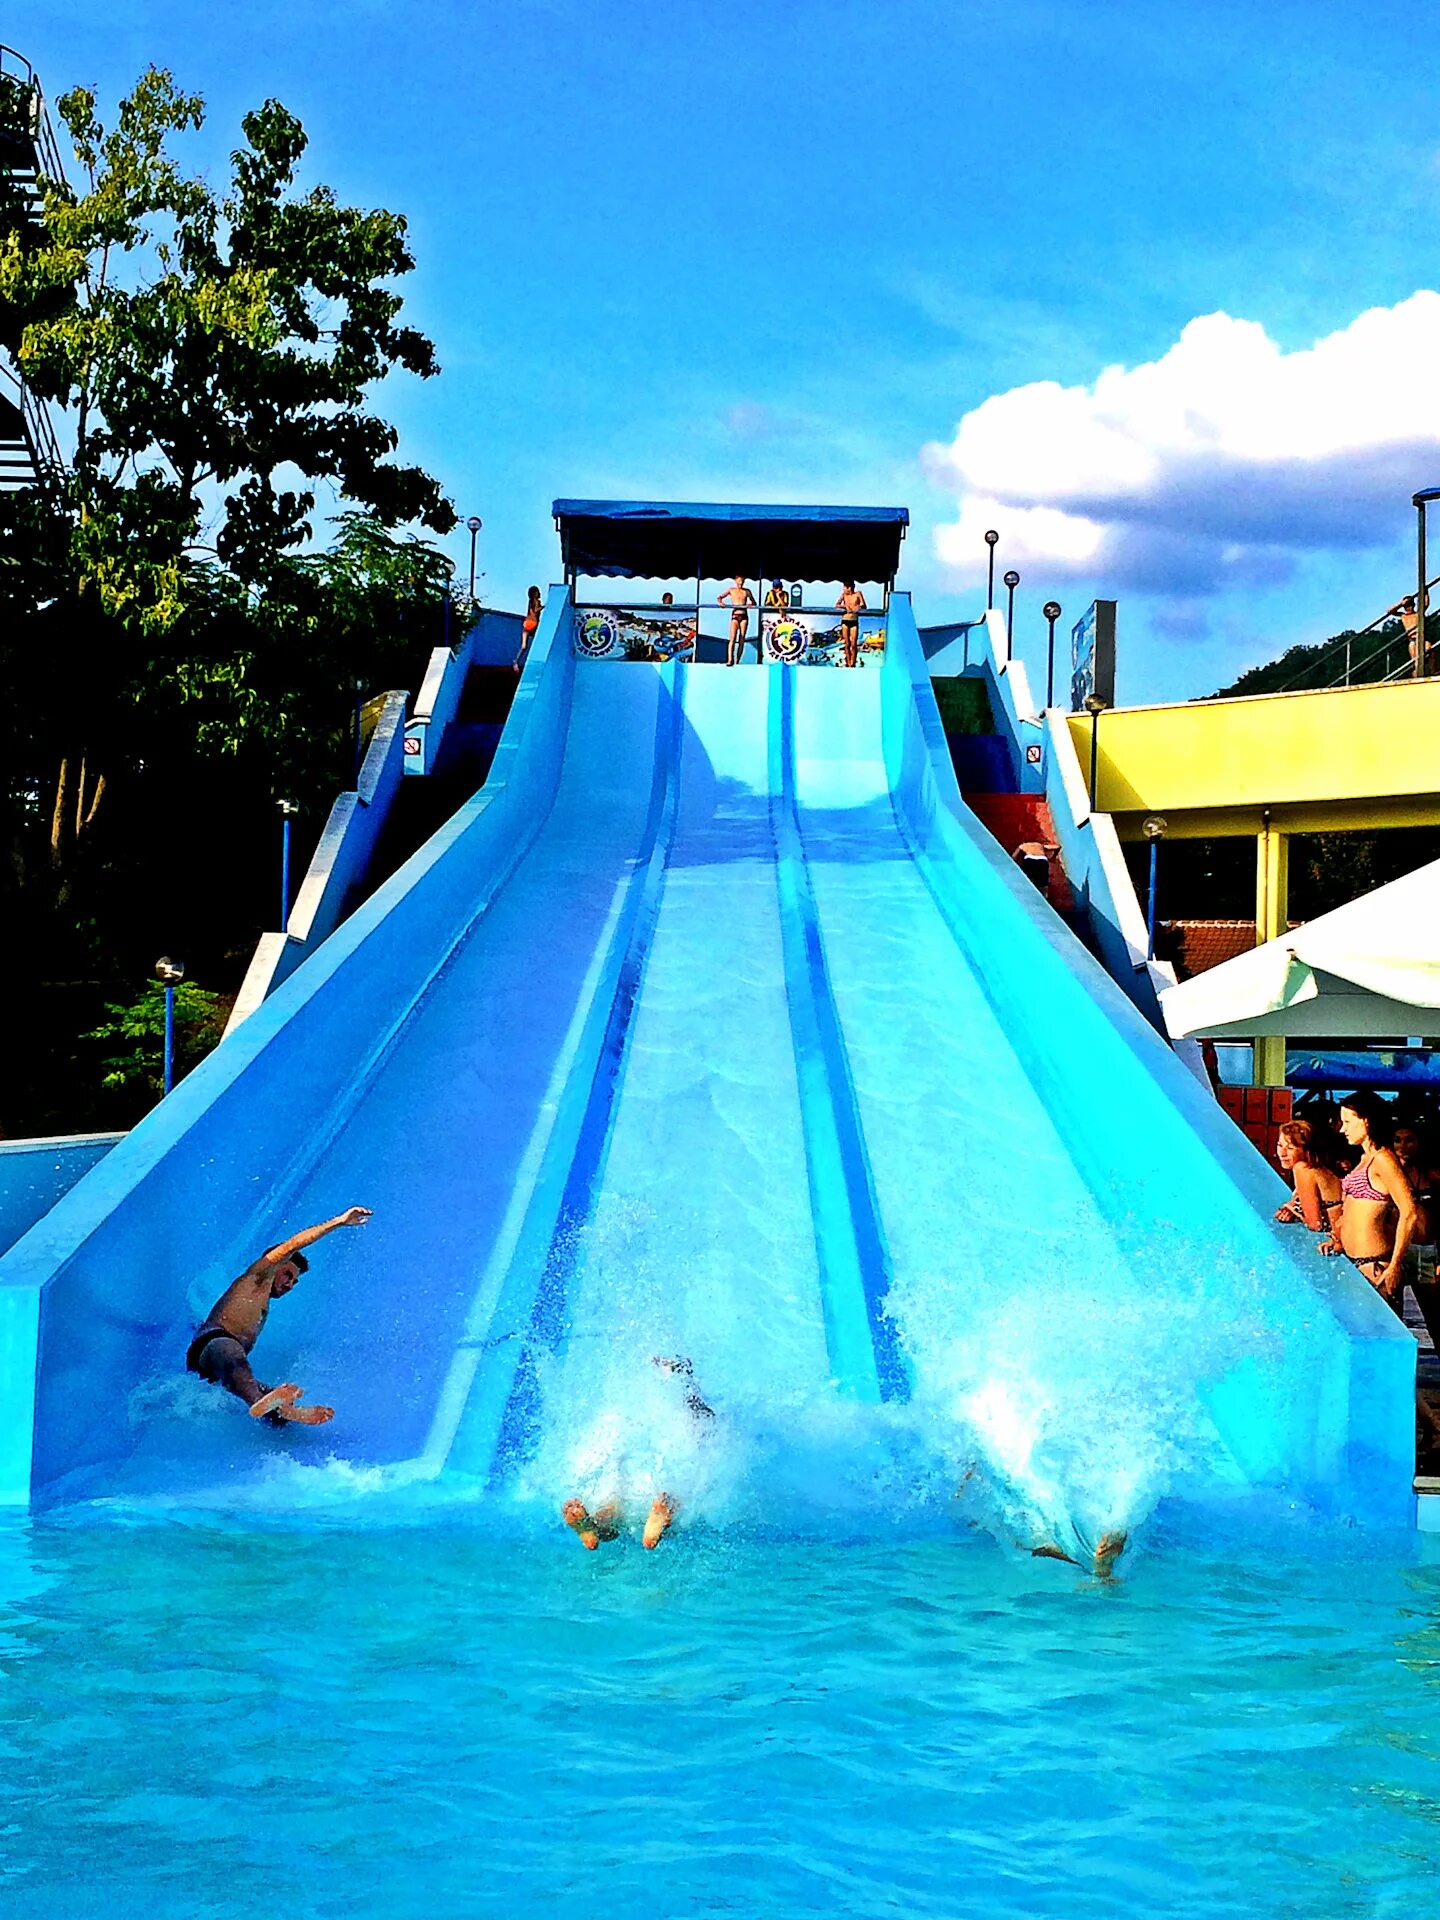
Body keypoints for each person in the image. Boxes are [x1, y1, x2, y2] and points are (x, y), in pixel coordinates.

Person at [185, 1207, 373, 1425]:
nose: (290, 1284)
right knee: (236, 1362)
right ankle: (263, 1403)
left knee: (274, 1413)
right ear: (275, 1266)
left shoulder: (261, 1302)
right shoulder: (256, 1278)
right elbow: (293, 1245)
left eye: (294, 1282)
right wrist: (338, 1222)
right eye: (288, 1275)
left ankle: (280, 1412)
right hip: (215, 1344)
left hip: (212, 1370)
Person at [561, 1354, 713, 1551]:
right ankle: (662, 1517)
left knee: (610, 1507)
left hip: (627, 1461)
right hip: (667, 1463)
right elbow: (704, 1432)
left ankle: (596, 1527)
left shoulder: (632, 1404)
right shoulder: (687, 1405)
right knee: (678, 1498)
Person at [1318, 1093, 1418, 1308]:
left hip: (1375, 1266)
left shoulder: (1383, 1159)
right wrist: (1340, 1241)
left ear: (1366, 1121)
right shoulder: (1365, 1159)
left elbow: (1409, 1212)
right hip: (1357, 1263)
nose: (1343, 1129)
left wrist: (1394, 1265)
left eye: (1347, 1122)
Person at [1272, 1119, 1344, 1231]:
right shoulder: (1320, 1168)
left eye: (1290, 1148)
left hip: (1339, 1234)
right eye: (1280, 1145)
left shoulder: (1302, 1168)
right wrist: (1294, 1205)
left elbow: (1315, 1224)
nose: (1282, 1153)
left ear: (1306, 1151)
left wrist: (1296, 1211)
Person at [720, 576, 757, 667]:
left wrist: (750, 604)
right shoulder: (731, 590)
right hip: (735, 615)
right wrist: (721, 603)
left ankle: (738, 660)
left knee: (742, 638)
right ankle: (730, 659)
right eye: (739, 581)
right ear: (736, 581)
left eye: (742, 581)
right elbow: (719, 597)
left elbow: (754, 602)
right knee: (732, 638)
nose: (741, 583)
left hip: (744, 615)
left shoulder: (747, 591)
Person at [836, 581, 867, 669]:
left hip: (854, 620)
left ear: (851, 587)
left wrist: (857, 607)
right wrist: (845, 607)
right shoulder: (844, 595)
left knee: (853, 644)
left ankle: (852, 663)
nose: (845, 589)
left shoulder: (858, 594)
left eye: (846, 587)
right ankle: (848, 662)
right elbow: (837, 604)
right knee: (847, 643)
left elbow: (863, 605)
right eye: (844, 587)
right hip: (845, 620)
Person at [515, 586, 543, 671]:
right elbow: (535, 611)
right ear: (534, 593)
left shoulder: (530, 602)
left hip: (527, 623)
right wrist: (544, 607)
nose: (539, 593)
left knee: (524, 646)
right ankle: (537, 661)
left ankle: (516, 661)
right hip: (533, 624)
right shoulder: (536, 601)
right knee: (537, 643)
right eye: (538, 592)